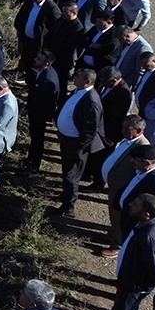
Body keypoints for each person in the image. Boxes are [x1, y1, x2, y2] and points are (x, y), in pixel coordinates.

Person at [54, 69, 104, 217]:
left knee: (72, 175)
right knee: (67, 171)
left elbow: (90, 130)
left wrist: (78, 147)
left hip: (76, 144)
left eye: (78, 77)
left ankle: (68, 207)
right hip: (67, 139)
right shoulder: (78, 91)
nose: (74, 78)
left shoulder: (91, 101)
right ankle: (65, 196)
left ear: (87, 81)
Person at [101, 116, 150, 256]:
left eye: (126, 128)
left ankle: (117, 245)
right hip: (115, 187)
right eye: (123, 127)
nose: (122, 130)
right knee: (113, 213)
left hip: (123, 190)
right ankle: (113, 235)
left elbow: (141, 172)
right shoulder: (128, 140)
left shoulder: (142, 147)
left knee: (120, 217)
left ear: (139, 130)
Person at [14, 0, 59, 83]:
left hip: (39, 43)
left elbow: (56, 27)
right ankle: (28, 81)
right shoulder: (30, 3)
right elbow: (21, 17)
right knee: (26, 61)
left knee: (34, 64)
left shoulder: (51, 7)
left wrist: (47, 40)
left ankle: (33, 84)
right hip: (26, 39)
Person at [25, 53, 59, 170]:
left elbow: (50, 100)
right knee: (34, 136)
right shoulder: (42, 73)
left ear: (46, 63)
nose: (35, 59)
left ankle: (35, 165)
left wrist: (50, 115)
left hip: (40, 114)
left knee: (38, 138)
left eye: (39, 59)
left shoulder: (48, 80)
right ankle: (30, 158)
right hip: (35, 110)